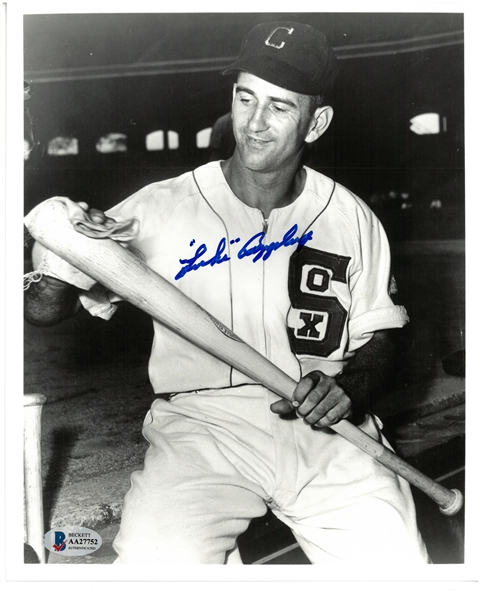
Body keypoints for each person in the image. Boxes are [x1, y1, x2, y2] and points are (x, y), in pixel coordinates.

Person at [24, 21, 429, 565]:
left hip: (329, 431)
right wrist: (60, 252)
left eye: (280, 107)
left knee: (400, 568)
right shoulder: (160, 205)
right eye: (245, 98)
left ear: (317, 122)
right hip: (201, 430)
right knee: (154, 566)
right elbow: (43, 312)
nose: (255, 124)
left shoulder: (353, 217)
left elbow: (381, 335)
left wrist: (350, 388)